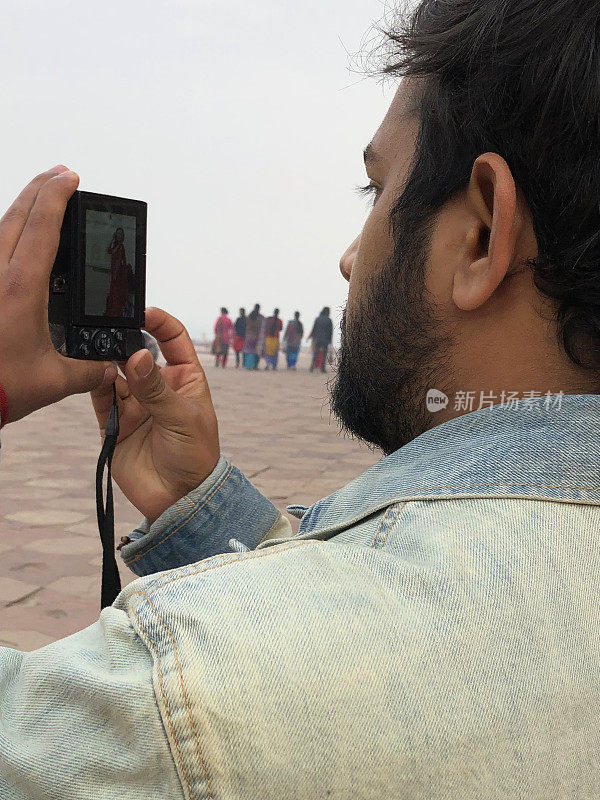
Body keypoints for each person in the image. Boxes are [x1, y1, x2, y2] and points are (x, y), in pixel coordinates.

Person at [4, 2, 600, 792]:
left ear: (484, 235)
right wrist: (206, 512)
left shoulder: (179, 697)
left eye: (376, 188)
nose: (350, 259)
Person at [105, 226, 131, 317]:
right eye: (118, 233)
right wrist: (112, 239)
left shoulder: (121, 247)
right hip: (114, 275)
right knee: (113, 294)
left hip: (118, 276)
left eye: (121, 234)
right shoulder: (116, 246)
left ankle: (116, 313)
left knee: (116, 294)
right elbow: (109, 251)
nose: (119, 235)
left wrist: (115, 276)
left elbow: (119, 262)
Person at [308, 306, 333, 373]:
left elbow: (314, 329)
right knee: (324, 354)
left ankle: (312, 367)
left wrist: (313, 338)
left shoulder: (317, 319)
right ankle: (322, 368)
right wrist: (330, 340)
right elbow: (330, 332)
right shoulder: (329, 320)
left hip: (317, 339)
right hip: (325, 340)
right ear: (327, 312)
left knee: (315, 353)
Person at [242, 303, 264, 369]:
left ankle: (248, 365)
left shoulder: (248, 316)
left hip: (249, 336)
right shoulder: (261, 317)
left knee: (248, 351)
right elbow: (263, 328)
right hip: (257, 337)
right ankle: (255, 366)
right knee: (256, 352)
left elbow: (245, 326)